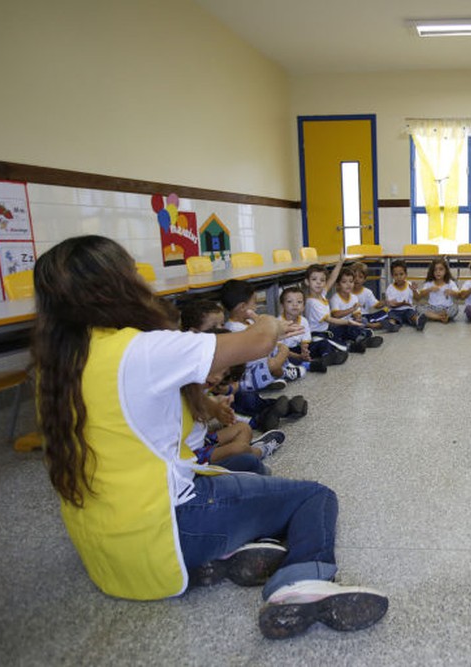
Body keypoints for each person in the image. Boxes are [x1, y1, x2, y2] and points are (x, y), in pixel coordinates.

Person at [32, 235, 387, 639]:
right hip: (169, 530)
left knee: (248, 464)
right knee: (314, 496)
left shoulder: (56, 364)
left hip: (108, 551)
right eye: (132, 272)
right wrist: (268, 320)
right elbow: (258, 342)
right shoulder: (140, 349)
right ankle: (300, 583)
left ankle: (229, 550)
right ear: (114, 286)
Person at [221, 279, 305, 386]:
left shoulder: (249, 321)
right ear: (242, 307)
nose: (256, 307)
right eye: (254, 303)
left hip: (263, 357)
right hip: (252, 366)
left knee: (281, 348)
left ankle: (282, 371)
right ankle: (282, 374)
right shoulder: (234, 329)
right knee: (276, 359)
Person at [304, 262, 370, 353]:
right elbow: (330, 320)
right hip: (317, 335)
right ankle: (348, 347)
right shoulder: (312, 302)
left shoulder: (321, 294)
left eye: (322, 280)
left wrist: (340, 263)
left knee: (344, 329)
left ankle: (359, 338)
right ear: (307, 282)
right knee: (330, 343)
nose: (319, 282)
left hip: (327, 330)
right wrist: (347, 322)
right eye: (314, 279)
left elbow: (332, 279)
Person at [278, 287, 330, 373]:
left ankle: (327, 357)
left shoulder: (303, 320)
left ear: (303, 307)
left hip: (299, 348)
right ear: (282, 305)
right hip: (287, 351)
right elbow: (279, 348)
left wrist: (304, 351)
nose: (295, 305)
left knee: (323, 343)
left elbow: (305, 341)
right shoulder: (279, 323)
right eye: (289, 301)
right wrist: (299, 356)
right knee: (282, 357)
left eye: (299, 302)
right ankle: (308, 365)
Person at [330, 267, 383, 348]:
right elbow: (336, 315)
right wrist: (351, 309)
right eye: (344, 282)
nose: (348, 284)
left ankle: (360, 339)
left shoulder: (354, 297)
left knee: (362, 321)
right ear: (337, 285)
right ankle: (361, 340)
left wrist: (358, 317)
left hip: (350, 323)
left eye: (351, 281)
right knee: (339, 332)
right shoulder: (335, 298)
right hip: (339, 325)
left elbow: (357, 313)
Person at [350, 261, 398, 332]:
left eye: (360, 277)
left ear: (364, 279)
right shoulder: (346, 292)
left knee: (389, 312)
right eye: (354, 277)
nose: (357, 279)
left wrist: (386, 302)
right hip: (352, 317)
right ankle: (374, 325)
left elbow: (376, 305)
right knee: (352, 321)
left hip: (366, 316)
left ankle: (385, 324)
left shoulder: (367, 292)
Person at [384, 259, 427, 330]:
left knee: (412, 315)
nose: (399, 277)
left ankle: (418, 321)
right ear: (392, 276)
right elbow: (391, 304)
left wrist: (414, 291)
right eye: (396, 275)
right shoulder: (390, 288)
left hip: (408, 309)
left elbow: (417, 298)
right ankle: (392, 325)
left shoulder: (410, 285)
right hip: (395, 311)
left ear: (406, 274)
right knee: (392, 317)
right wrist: (403, 303)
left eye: (401, 274)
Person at [416, 257, 459, 323]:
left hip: (447, 308)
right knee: (418, 308)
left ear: (445, 271)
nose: (438, 272)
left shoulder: (450, 282)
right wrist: (429, 289)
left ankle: (436, 316)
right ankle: (439, 317)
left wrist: (451, 292)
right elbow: (420, 295)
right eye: (435, 270)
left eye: (441, 269)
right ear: (432, 272)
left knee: (455, 308)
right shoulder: (429, 283)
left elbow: (458, 294)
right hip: (432, 308)